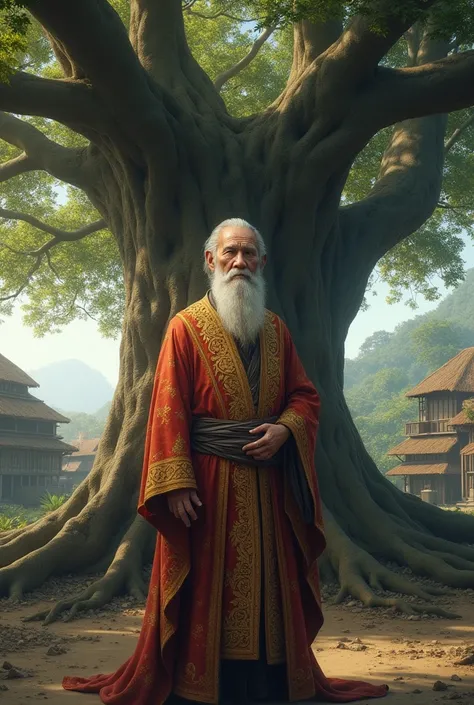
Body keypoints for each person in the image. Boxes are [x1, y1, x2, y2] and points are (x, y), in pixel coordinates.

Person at [63, 219, 388, 704]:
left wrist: (286, 429)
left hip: (272, 487)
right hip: (208, 486)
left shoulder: (277, 329)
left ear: (262, 263)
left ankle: (271, 679)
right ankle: (197, 682)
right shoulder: (185, 328)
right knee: (205, 583)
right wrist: (174, 482)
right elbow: (168, 406)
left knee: (270, 591)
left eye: (250, 253)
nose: (240, 262)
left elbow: (305, 397)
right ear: (211, 260)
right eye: (231, 252)